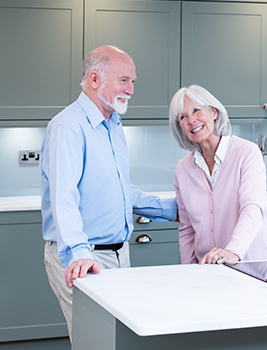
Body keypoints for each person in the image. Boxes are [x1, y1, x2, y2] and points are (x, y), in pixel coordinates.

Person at [40, 45, 177, 336]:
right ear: (94, 79)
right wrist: (78, 253)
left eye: (133, 81)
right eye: (124, 80)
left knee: (117, 339)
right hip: (85, 258)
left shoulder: (112, 124)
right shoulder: (68, 127)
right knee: (95, 340)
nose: (131, 89)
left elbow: (119, 190)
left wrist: (174, 209)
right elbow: (64, 198)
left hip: (118, 254)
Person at [169, 85, 267, 265]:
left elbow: (252, 209)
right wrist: (187, 270)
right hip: (206, 270)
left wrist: (232, 252)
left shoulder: (246, 153)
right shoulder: (183, 169)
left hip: (248, 264)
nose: (191, 120)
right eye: (183, 117)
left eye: (196, 111)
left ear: (214, 112)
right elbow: (187, 229)